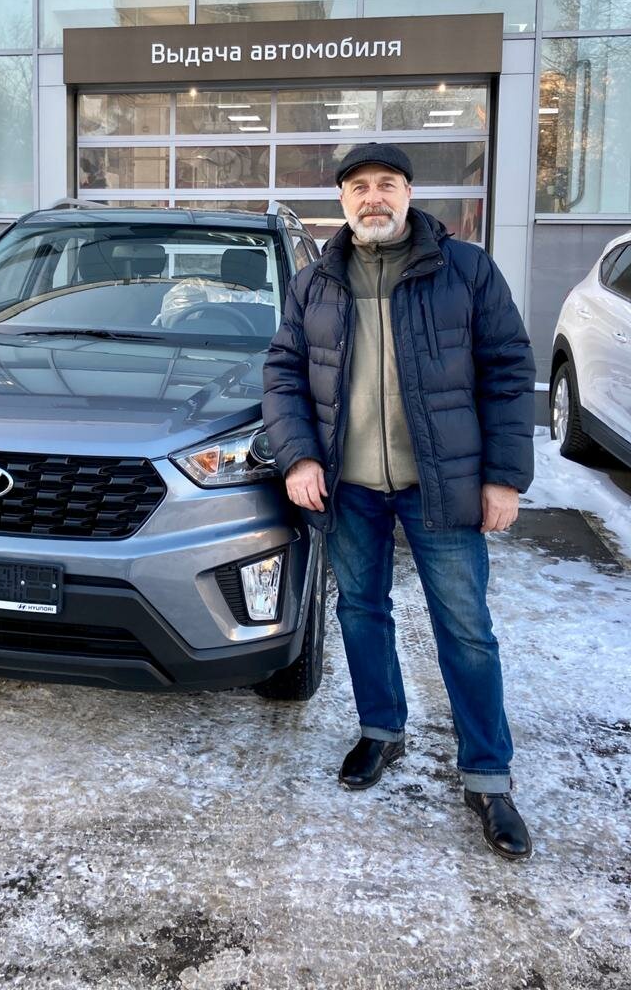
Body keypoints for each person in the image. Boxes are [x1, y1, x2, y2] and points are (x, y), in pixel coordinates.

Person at [262, 142, 536, 861]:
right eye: (359, 187)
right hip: (349, 485)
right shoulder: (316, 280)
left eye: (386, 184)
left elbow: (509, 371)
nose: (373, 197)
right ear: (343, 201)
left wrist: (504, 477)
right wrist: (298, 457)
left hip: (442, 483)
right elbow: (283, 372)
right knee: (360, 610)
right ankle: (381, 731)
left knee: (466, 628)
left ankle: (488, 775)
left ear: (409, 194)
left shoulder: (465, 269)